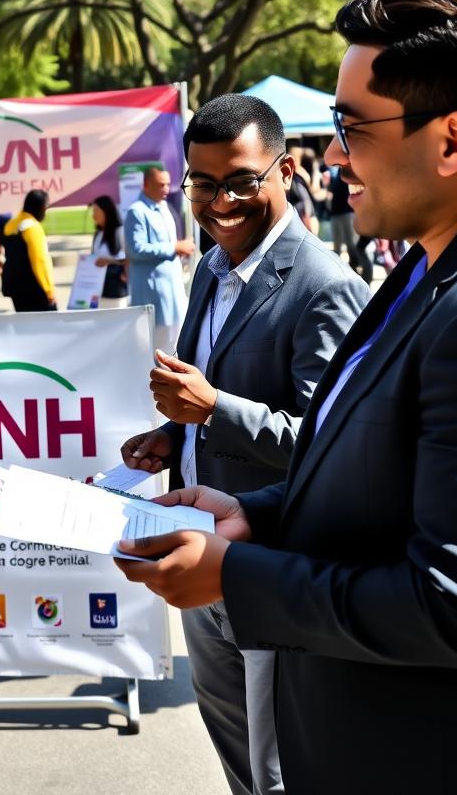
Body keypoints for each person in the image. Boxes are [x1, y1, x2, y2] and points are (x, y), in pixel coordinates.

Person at [116, 0, 457, 794]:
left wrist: (233, 575)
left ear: (452, 140)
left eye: (351, 127)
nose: (334, 157)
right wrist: (251, 514)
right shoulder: (433, 265)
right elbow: (374, 467)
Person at [120, 94, 369, 795]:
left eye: (241, 181)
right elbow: (209, 394)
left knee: (277, 767)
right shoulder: (209, 267)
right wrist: (169, 435)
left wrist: (214, 409)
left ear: (284, 171)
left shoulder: (323, 287)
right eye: (203, 184)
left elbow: (337, 449)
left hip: (268, 564)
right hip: (203, 559)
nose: (220, 201)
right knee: (236, 752)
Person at [124, 165, 195, 351]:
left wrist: (180, 247)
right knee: (157, 349)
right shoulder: (137, 211)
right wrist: (174, 247)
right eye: (160, 185)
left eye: (168, 184)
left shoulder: (163, 207)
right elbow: (135, 249)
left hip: (173, 290)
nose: (166, 189)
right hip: (154, 293)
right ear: (146, 184)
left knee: (175, 344)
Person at [1, 189, 55, 312]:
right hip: (33, 288)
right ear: (41, 207)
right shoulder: (32, 227)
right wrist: (48, 289)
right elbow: (39, 260)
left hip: (15, 287)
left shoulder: (11, 225)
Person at [327, 164, 373, 281]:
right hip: (336, 214)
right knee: (338, 246)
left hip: (347, 213)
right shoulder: (337, 174)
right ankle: (336, 276)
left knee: (352, 245)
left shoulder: (350, 171)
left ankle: (357, 271)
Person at [89, 195, 128, 308]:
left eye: (96, 211)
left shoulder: (120, 232)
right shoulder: (98, 234)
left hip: (115, 291)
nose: (93, 216)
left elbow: (130, 259)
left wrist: (110, 262)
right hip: (97, 290)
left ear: (106, 211)